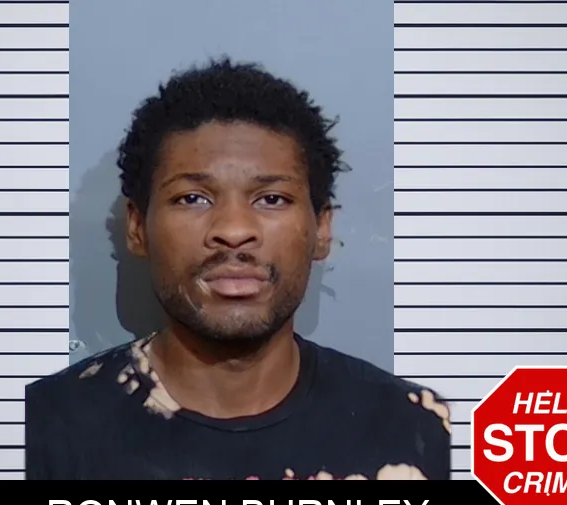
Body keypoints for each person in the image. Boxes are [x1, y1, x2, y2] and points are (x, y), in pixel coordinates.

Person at [25, 57, 451, 480]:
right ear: (137, 228)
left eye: (271, 199)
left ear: (322, 229)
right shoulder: (40, 433)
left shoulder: (422, 432)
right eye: (193, 198)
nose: (233, 231)